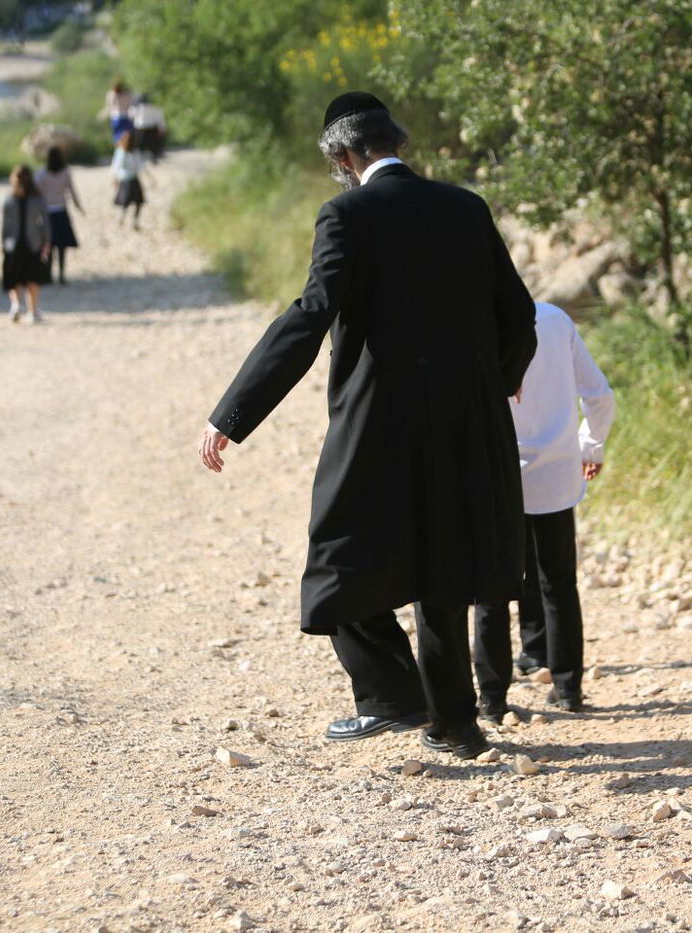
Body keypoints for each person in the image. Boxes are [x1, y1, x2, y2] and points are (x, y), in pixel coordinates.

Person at [198, 92, 537, 761]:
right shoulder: (465, 207)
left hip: (378, 422)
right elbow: (519, 315)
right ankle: (456, 723)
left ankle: (393, 696)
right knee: (445, 563)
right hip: (468, 420)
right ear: (398, 142)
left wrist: (232, 413)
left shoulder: (346, 214)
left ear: (343, 157)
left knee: (335, 554)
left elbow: (309, 316)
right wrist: (491, 384)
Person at [472, 301, 615, 721]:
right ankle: (568, 690)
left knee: (491, 592)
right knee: (559, 583)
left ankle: (492, 700)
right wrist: (591, 446)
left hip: (495, 475)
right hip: (556, 472)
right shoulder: (554, 319)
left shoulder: (472, 322)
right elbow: (599, 395)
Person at [0, 164, 52, 324]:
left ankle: (16, 305)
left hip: (13, 243)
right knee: (33, 279)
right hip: (33, 243)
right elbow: (45, 223)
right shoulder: (38, 199)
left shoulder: (9, 200)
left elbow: (5, 225)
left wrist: (3, 242)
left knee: (14, 277)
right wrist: (47, 241)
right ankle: (32, 311)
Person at [35, 146, 84, 284]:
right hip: (61, 212)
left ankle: (49, 275)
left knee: (49, 244)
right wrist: (79, 206)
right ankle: (61, 274)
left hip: (47, 212)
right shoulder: (65, 173)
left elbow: (36, 193)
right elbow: (72, 191)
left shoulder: (41, 174)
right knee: (62, 246)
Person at [111, 131, 147, 230]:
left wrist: (114, 179)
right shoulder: (122, 151)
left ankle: (130, 221)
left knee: (132, 202)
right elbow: (117, 166)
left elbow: (116, 167)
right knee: (131, 202)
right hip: (128, 180)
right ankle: (127, 220)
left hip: (129, 179)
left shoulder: (131, 151)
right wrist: (115, 178)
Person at [129, 93, 167, 161]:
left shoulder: (135, 109)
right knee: (156, 143)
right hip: (151, 130)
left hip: (139, 130)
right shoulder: (155, 109)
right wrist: (162, 131)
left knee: (138, 147)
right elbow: (160, 122)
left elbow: (130, 118)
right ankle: (156, 154)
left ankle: (138, 159)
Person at [105, 80, 134, 144]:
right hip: (126, 116)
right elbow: (130, 104)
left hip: (116, 117)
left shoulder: (112, 95)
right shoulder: (127, 95)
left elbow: (109, 106)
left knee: (117, 137)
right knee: (127, 136)